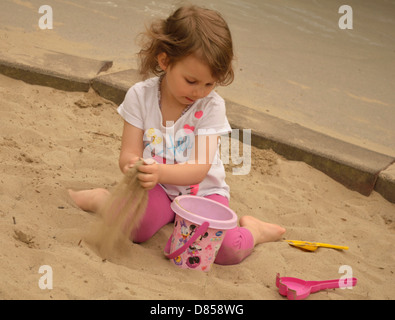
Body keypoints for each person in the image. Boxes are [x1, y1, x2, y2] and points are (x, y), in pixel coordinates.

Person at [68, 5, 285, 265]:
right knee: (136, 229)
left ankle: (254, 230)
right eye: (191, 81)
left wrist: (159, 171)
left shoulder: (211, 107)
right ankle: (101, 199)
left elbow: (197, 170)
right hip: (157, 188)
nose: (200, 92)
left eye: (210, 84)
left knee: (225, 250)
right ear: (165, 61)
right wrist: (133, 167)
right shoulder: (140, 95)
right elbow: (128, 153)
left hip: (202, 192)